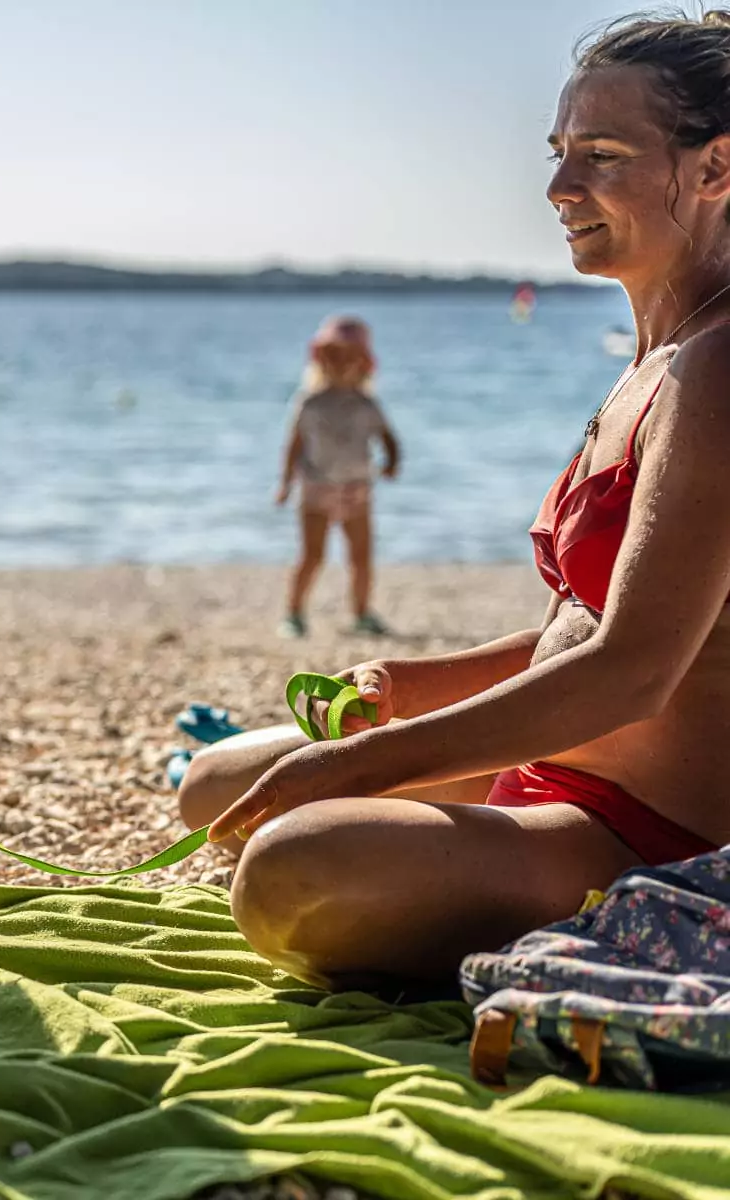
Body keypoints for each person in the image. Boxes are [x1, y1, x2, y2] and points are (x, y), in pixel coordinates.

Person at [178, 10, 730, 990]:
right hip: (559, 761)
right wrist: (416, 682)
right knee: (218, 790)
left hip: (650, 831)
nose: (559, 188)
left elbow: (637, 669)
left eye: (600, 156)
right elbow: (591, 623)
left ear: (716, 168)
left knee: (289, 872)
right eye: (559, 153)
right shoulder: (657, 355)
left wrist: (359, 768)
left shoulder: (722, 367)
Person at [275, 316, 400, 638]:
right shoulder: (309, 402)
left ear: (364, 364)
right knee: (312, 555)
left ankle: (361, 613)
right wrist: (285, 484)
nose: (341, 365)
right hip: (317, 490)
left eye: (350, 357)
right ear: (320, 361)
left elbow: (388, 438)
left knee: (361, 557)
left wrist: (391, 463)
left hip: (357, 491)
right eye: (333, 357)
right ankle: (294, 613)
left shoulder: (367, 404)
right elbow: (294, 445)